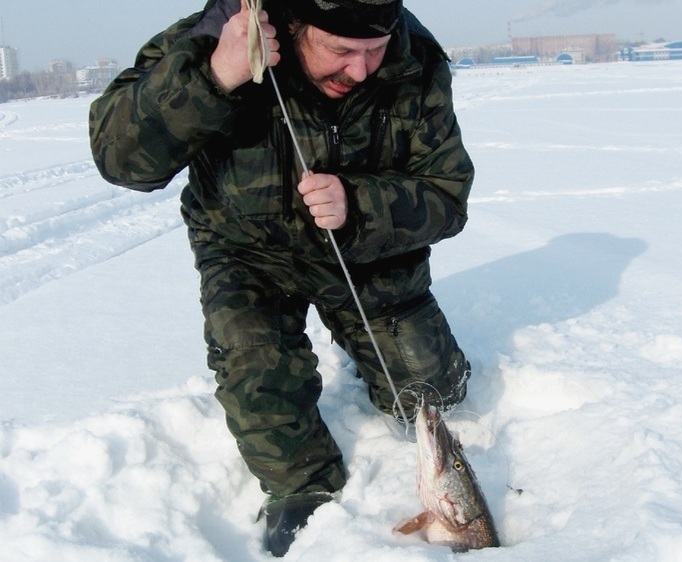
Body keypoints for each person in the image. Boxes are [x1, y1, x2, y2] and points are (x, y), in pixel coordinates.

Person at [90, 0, 474, 556]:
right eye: (341, 51)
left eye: (374, 51)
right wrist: (213, 78)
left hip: (363, 253)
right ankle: (305, 491)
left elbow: (448, 195)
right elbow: (120, 160)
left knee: (437, 393)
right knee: (259, 377)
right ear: (294, 27)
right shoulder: (215, 36)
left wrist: (359, 205)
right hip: (247, 251)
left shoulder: (416, 58)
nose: (361, 70)